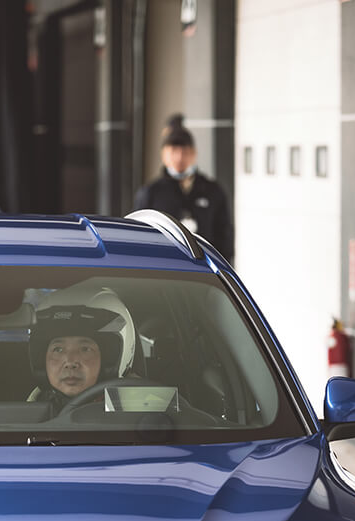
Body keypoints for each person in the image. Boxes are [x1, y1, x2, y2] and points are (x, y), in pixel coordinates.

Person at [133, 114, 234, 261]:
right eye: (173, 151)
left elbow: (225, 238)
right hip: (163, 265)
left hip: (204, 267)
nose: (179, 158)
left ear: (194, 154)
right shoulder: (151, 192)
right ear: (164, 155)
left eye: (185, 152)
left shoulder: (213, 191)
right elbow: (138, 237)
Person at [27, 286, 136, 411]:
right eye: (58, 350)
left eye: (85, 349)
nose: (70, 362)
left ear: (110, 358)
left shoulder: (141, 407)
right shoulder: (27, 413)